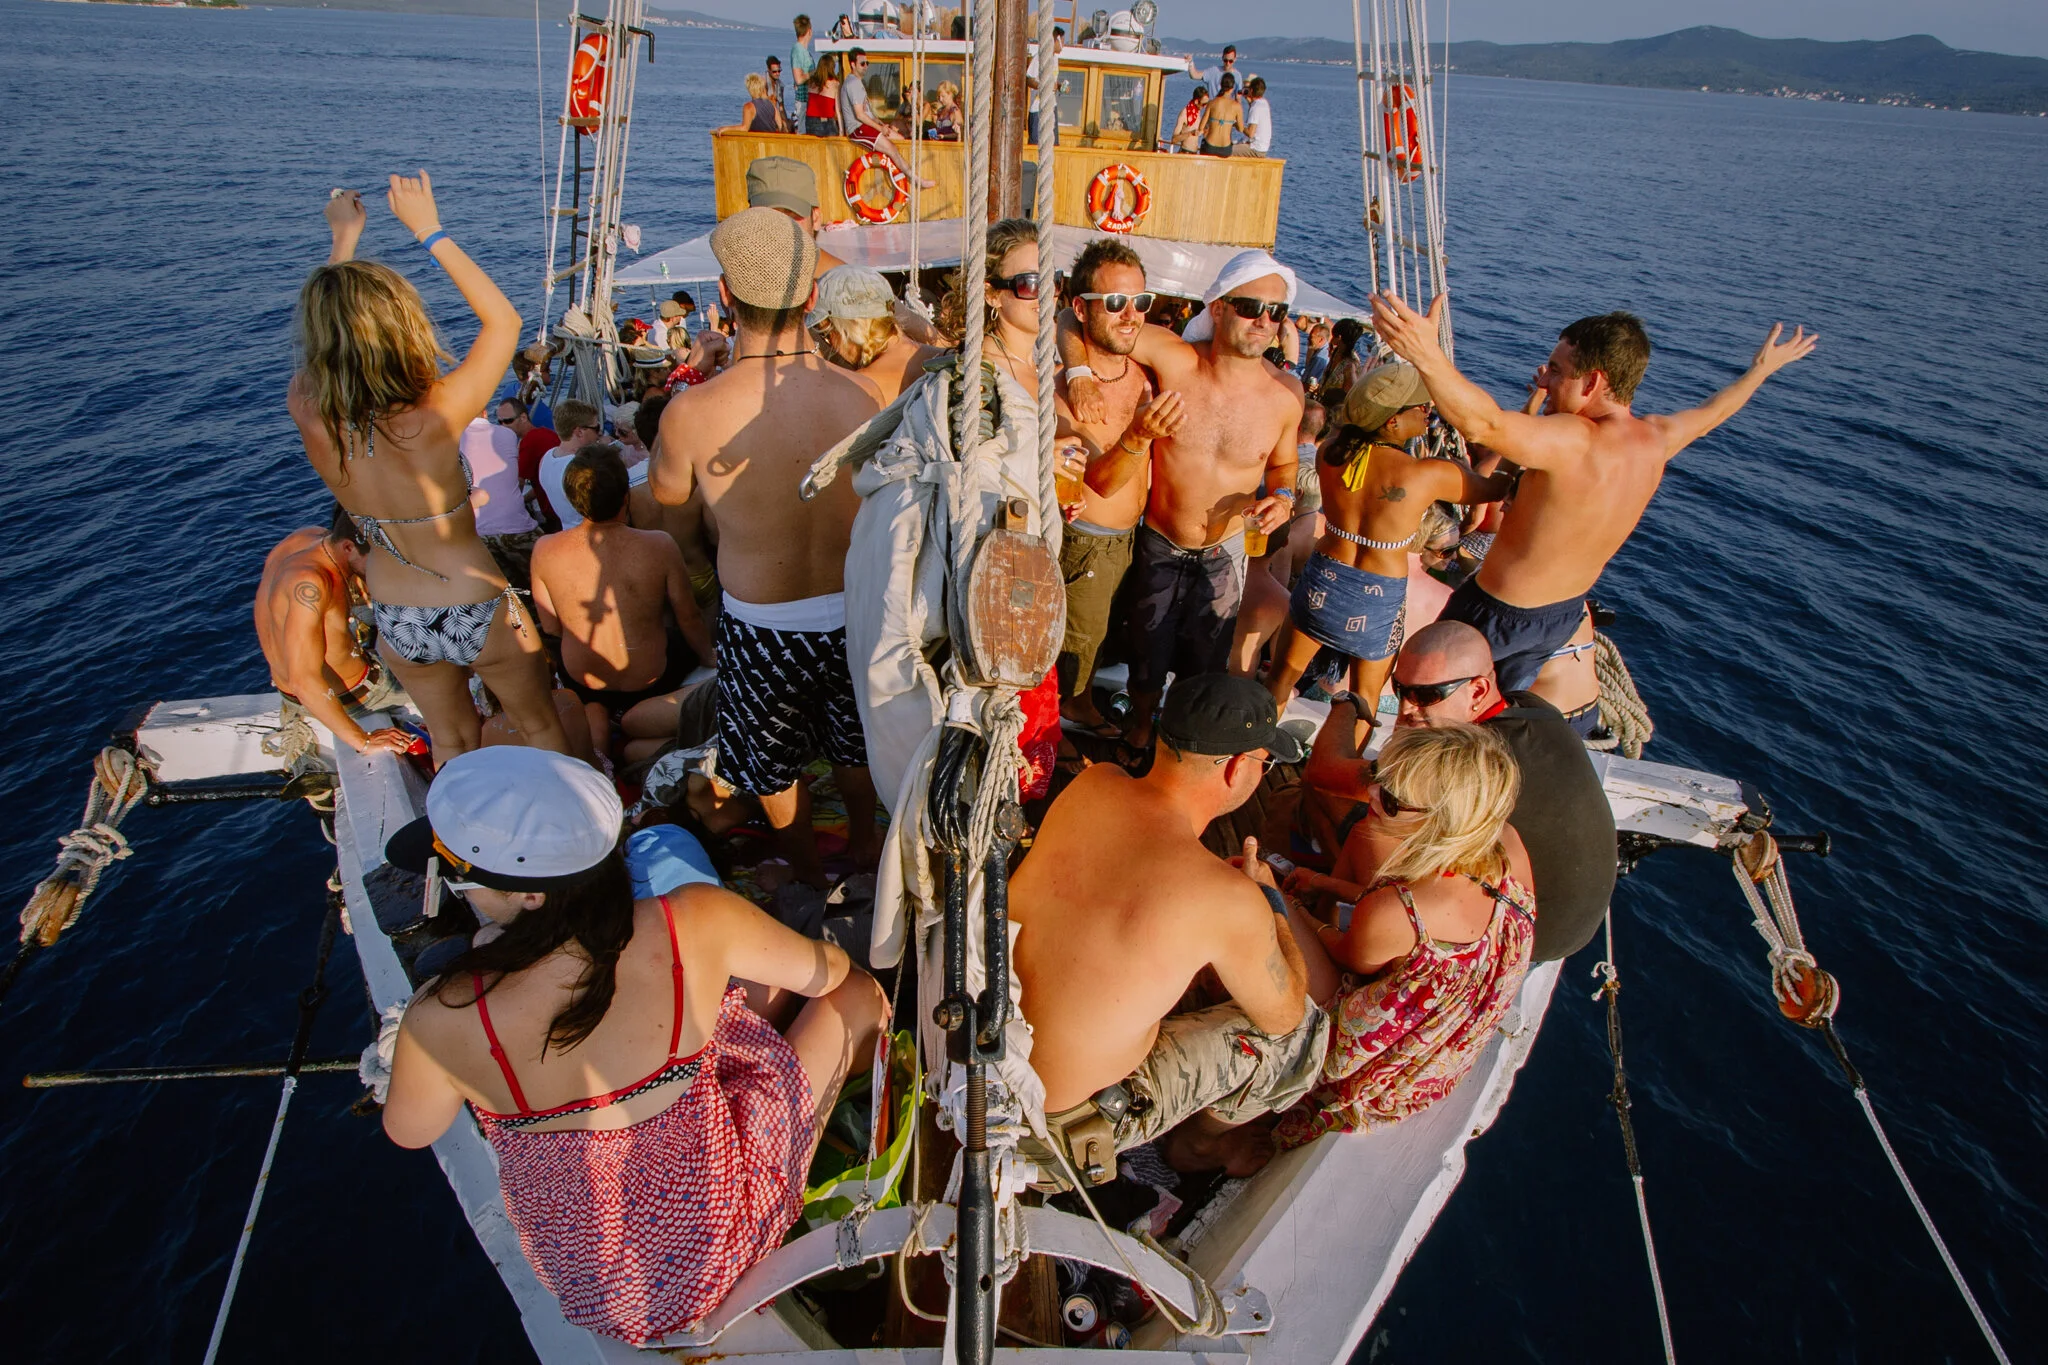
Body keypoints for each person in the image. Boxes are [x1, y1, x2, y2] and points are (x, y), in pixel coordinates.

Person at [380, 745, 887, 1346]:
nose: (458, 888)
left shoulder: (442, 1014)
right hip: (718, 1251)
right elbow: (828, 974)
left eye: (458, 875)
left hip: (597, 1294)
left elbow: (411, 1131)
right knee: (857, 996)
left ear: (532, 896)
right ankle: (847, 1108)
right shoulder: (692, 918)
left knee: (736, 1004)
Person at [1373, 297, 1818, 691]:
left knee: (1426, 707)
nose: (1544, 382)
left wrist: (1426, 354)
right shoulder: (1656, 438)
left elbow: (1484, 424)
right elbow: (1713, 412)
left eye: (1557, 372)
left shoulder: (1576, 439)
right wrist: (1761, 371)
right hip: (1559, 618)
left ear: (1592, 383)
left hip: (1495, 613)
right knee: (1489, 716)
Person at [292, 177, 568, 762]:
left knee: (453, 740)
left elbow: (322, 345)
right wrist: (428, 229)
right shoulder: (436, 413)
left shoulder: (312, 413)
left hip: (398, 614)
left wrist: (342, 239)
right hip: (474, 599)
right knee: (539, 728)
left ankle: (460, 826)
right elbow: (504, 323)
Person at [1009, 674, 1328, 1177]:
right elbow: (1285, 1015)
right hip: (1051, 1133)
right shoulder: (1228, 900)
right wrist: (1270, 903)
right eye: (1264, 763)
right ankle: (1201, 1147)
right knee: (1302, 1037)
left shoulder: (1096, 782)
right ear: (1237, 768)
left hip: (983, 1064)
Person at [651, 208, 884, 885]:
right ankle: (865, 848)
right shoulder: (862, 394)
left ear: (725, 294)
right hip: (854, 608)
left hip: (761, 622)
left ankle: (806, 874)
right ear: (811, 299)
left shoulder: (692, 412)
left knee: (774, 764)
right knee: (854, 743)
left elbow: (668, 495)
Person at [1061, 249, 1305, 756]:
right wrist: (1078, 373)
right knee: (1146, 653)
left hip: (1225, 552)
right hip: (1160, 543)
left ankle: (1184, 746)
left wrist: (1283, 499)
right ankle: (1140, 729)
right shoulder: (1174, 359)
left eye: (1277, 312)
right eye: (1250, 307)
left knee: (1206, 660)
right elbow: (1074, 317)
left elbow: (1284, 467)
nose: (1265, 321)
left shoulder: (1287, 395)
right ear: (1218, 307)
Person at [1276, 720, 1535, 1141]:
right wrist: (1324, 883)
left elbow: (1346, 953)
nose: (1371, 797)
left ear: (1441, 822)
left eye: (1392, 801)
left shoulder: (1396, 911)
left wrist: (1294, 908)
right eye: (1378, 778)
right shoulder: (1508, 848)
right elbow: (1408, 923)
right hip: (1438, 1049)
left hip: (1379, 1072)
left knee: (1269, 904)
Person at [1303, 619, 1615, 963]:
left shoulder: (1454, 763)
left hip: (1514, 940)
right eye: (1400, 689)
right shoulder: (1535, 709)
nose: (1406, 708)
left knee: (1362, 823)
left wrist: (1347, 701)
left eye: (1425, 696)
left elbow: (1324, 772)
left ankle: (1340, 920)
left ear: (1478, 691)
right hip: (1563, 920)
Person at [1264, 363, 1511, 705]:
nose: (1428, 412)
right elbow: (1495, 488)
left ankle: (1257, 738)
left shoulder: (1330, 454)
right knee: (1363, 700)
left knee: (1280, 680)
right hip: (1378, 596)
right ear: (1392, 421)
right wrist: (1506, 440)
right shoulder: (1429, 474)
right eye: (1420, 407)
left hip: (1324, 578)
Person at [1050, 239, 1184, 736]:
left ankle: (1081, 703)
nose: (1131, 315)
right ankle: (1070, 716)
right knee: (1078, 642)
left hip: (1135, 538)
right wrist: (1138, 435)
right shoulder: (1063, 393)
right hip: (1088, 539)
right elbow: (1100, 483)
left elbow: (1065, 321)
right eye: (1114, 302)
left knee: (1102, 635)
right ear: (1083, 308)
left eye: (1140, 301)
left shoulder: (1144, 370)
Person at [531, 445, 713, 752]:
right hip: (651, 678)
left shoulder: (545, 549)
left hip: (584, 680)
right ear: (625, 497)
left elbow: (551, 626)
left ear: (573, 499)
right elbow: (689, 616)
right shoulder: (659, 545)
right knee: (678, 637)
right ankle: (641, 730)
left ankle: (604, 721)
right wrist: (708, 656)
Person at [255, 508, 416, 755]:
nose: (381, 569)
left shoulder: (306, 538)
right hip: (353, 697)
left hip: (289, 695)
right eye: (376, 561)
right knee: (453, 680)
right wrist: (364, 741)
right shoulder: (309, 584)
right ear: (349, 547)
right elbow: (303, 681)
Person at [810, 265, 943, 406]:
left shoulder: (854, 389)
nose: (830, 344)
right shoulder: (947, 359)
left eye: (825, 334)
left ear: (848, 330)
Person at [464, 403, 540, 592]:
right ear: (485, 413)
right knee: (545, 576)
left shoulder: (450, 442)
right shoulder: (508, 434)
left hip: (479, 533)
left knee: (510, 590)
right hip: (516, 526)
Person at [838, 49, 934, 187]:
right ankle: (917, 180)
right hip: (859, 129)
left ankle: (910, 175)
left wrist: (879, 122)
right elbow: (859, 115)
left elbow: (867, 112)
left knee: (900, 139)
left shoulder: (856, 83)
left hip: (867, 126)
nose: (866, 66)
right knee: (892, 149)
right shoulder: (853, 83)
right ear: (853, 65)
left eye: (867, 63)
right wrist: (879, 128)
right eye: (862, 63)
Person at [532, 398, 605, 530]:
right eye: (596, 428)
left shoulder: (546, 457)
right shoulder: (581, 467)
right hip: (591, 533)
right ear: (579, 432)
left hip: (567, 530)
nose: (599, 432)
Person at [1199, 73, 1244, 157]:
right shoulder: (1237, 106)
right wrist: (1232, 123)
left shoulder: (1212, 103)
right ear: (1232, 88)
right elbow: (1241, 129)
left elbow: (1201, 127)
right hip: (1225, 149)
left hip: (1210, 146)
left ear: (1220, 85)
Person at [804, 52, 841, 137]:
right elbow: (838, 110)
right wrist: (841, 130)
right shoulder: (835, 83)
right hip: (827, 120)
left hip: (811, 120)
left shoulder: (811, 82)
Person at [1239, 76, 1274, 157]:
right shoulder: (1264, 103)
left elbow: (1250, 133)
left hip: (1255, 149)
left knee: (1226, 151)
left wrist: (1239, 125)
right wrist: (1248, 99)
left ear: (1251, 90)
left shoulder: (1255, 106)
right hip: (1262, 148)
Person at [1170, 84, 1208, 154]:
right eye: (1203, 104)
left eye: (1207, 104)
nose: (1205, 107)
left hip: (1195, 153)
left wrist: (1204, 131)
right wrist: (1190, 133)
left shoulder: (1198, 112)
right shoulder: (1184, 113)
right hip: (1185, 152)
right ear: (1196, 101)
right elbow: (1174, 139)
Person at [790, 14, 817, 92]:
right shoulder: (797, 50)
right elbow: (798, 79)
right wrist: (815, 72)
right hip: (803, 98)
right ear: (809, 31)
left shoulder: (803, 50)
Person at [764, 54, 791, 126]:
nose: (777, 73)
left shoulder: (780, 85)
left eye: (779, 71)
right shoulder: (763, 83)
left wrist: (786, 123)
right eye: (774, 71)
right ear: (768, 70)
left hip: (775, 117)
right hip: (764, 118)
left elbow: (781, 107)